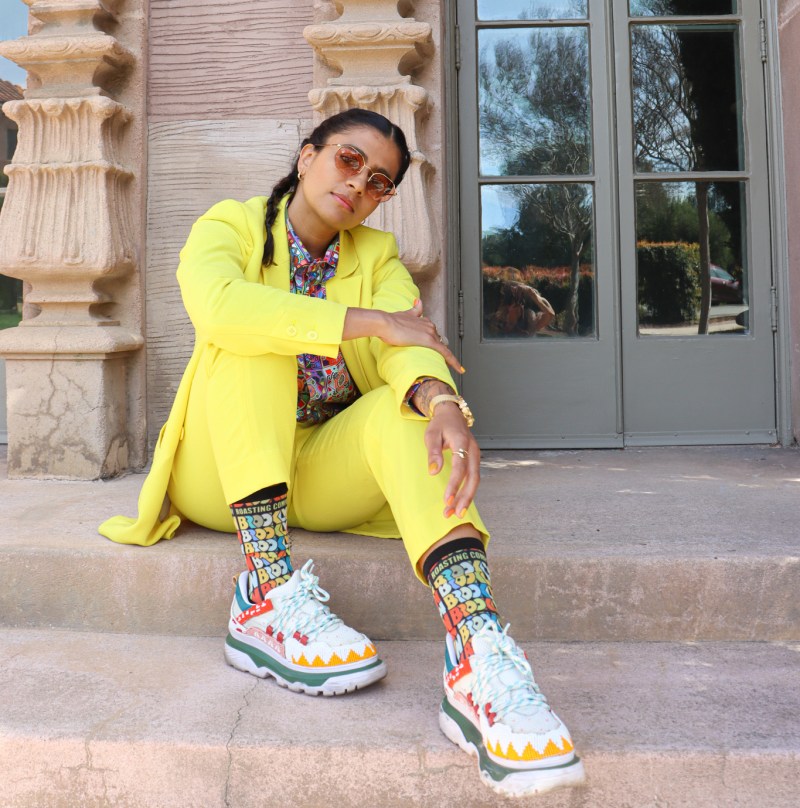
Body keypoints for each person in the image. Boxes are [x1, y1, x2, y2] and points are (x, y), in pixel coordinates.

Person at [99, 108, 585, 797]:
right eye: (349, 161)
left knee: (406, 411)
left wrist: (441, 403)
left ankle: (477, 654)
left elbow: (409, 342)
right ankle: (265, 595)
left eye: (379, 181)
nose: (359, 185)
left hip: (317, 473)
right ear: (307, 157)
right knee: (256, 338)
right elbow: (220, 308)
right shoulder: (230, 225)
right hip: (222, 472)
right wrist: (367, 323)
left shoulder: (376, 257)